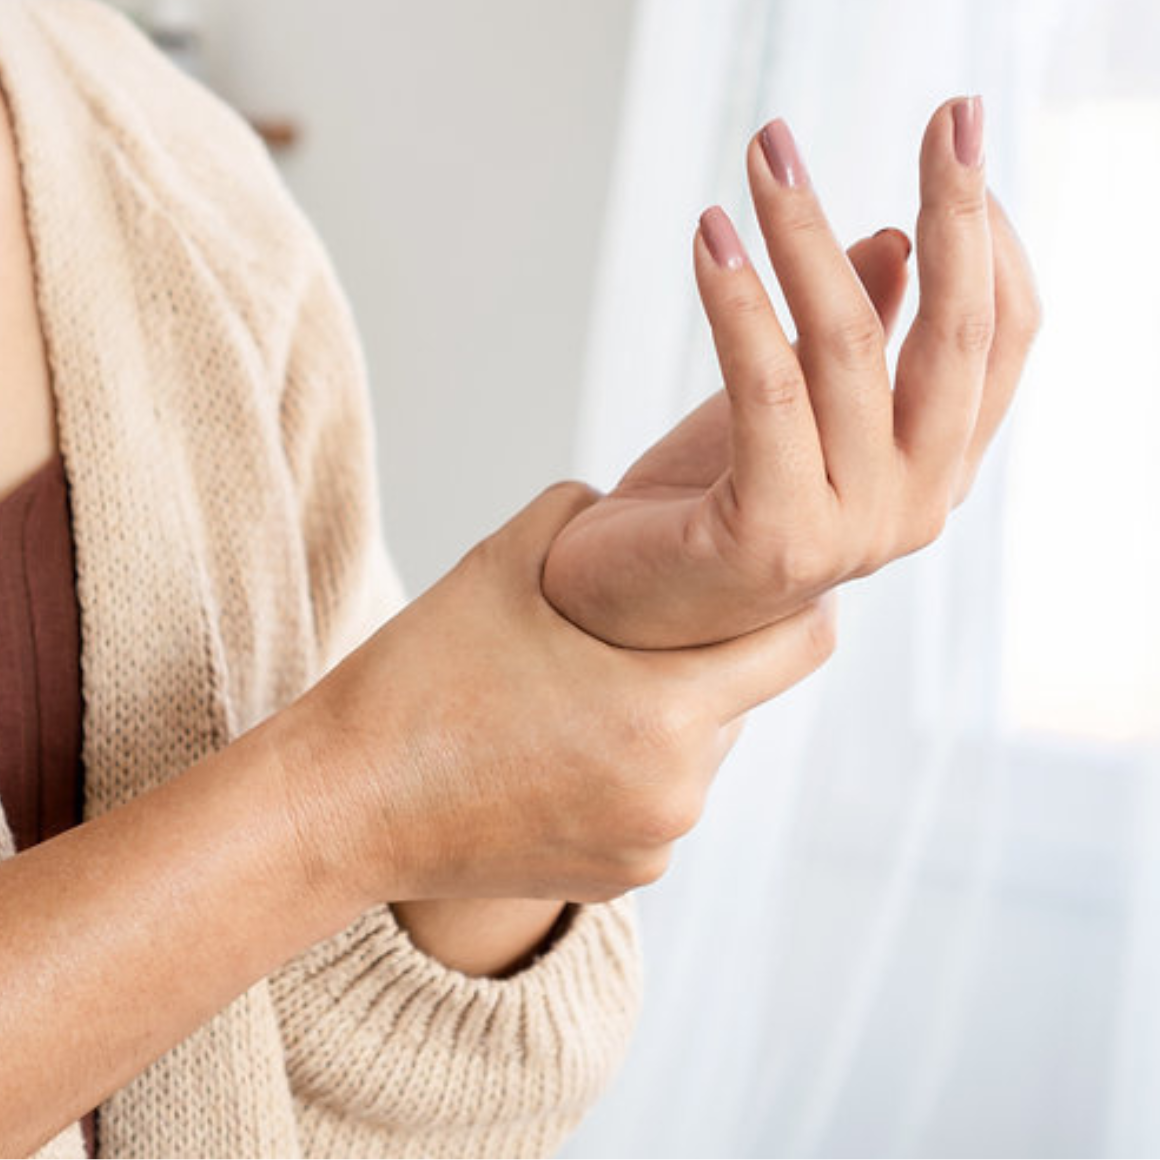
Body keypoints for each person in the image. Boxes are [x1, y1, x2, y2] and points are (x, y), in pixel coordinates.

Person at [0, 3, 1039, 1158]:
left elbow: (326, 1087)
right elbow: (346, 797)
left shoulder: (187, 188)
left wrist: (579, 666)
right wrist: (338, 803)